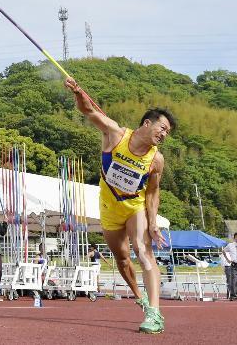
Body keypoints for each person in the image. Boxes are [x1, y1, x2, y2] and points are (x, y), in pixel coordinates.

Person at [65, 77, 175, 334]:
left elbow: (152, 193)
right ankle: (142, 300)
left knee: (142, 249)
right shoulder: (115, 134)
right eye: (162, 127)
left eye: (168, 132)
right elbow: (89, 110)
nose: (164, 134)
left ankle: (156, 314)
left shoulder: (156, 160)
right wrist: (79, 91)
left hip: (134, 206)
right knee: (123, 259)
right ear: (147, 123)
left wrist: (154, 223)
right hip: (108, 208)